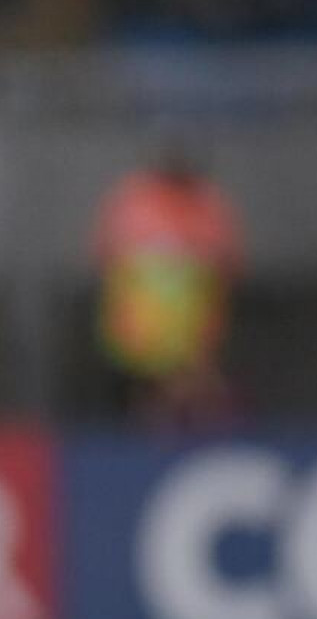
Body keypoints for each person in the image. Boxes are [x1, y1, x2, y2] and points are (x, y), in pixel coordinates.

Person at [91, 135, 243, 427]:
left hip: (193, 328)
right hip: (143, 330)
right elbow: (107, 257)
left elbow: (227, 263)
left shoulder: (208, 202)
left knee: (194, 389)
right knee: (155, 391)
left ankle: (198, 420)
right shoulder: (134, 199)